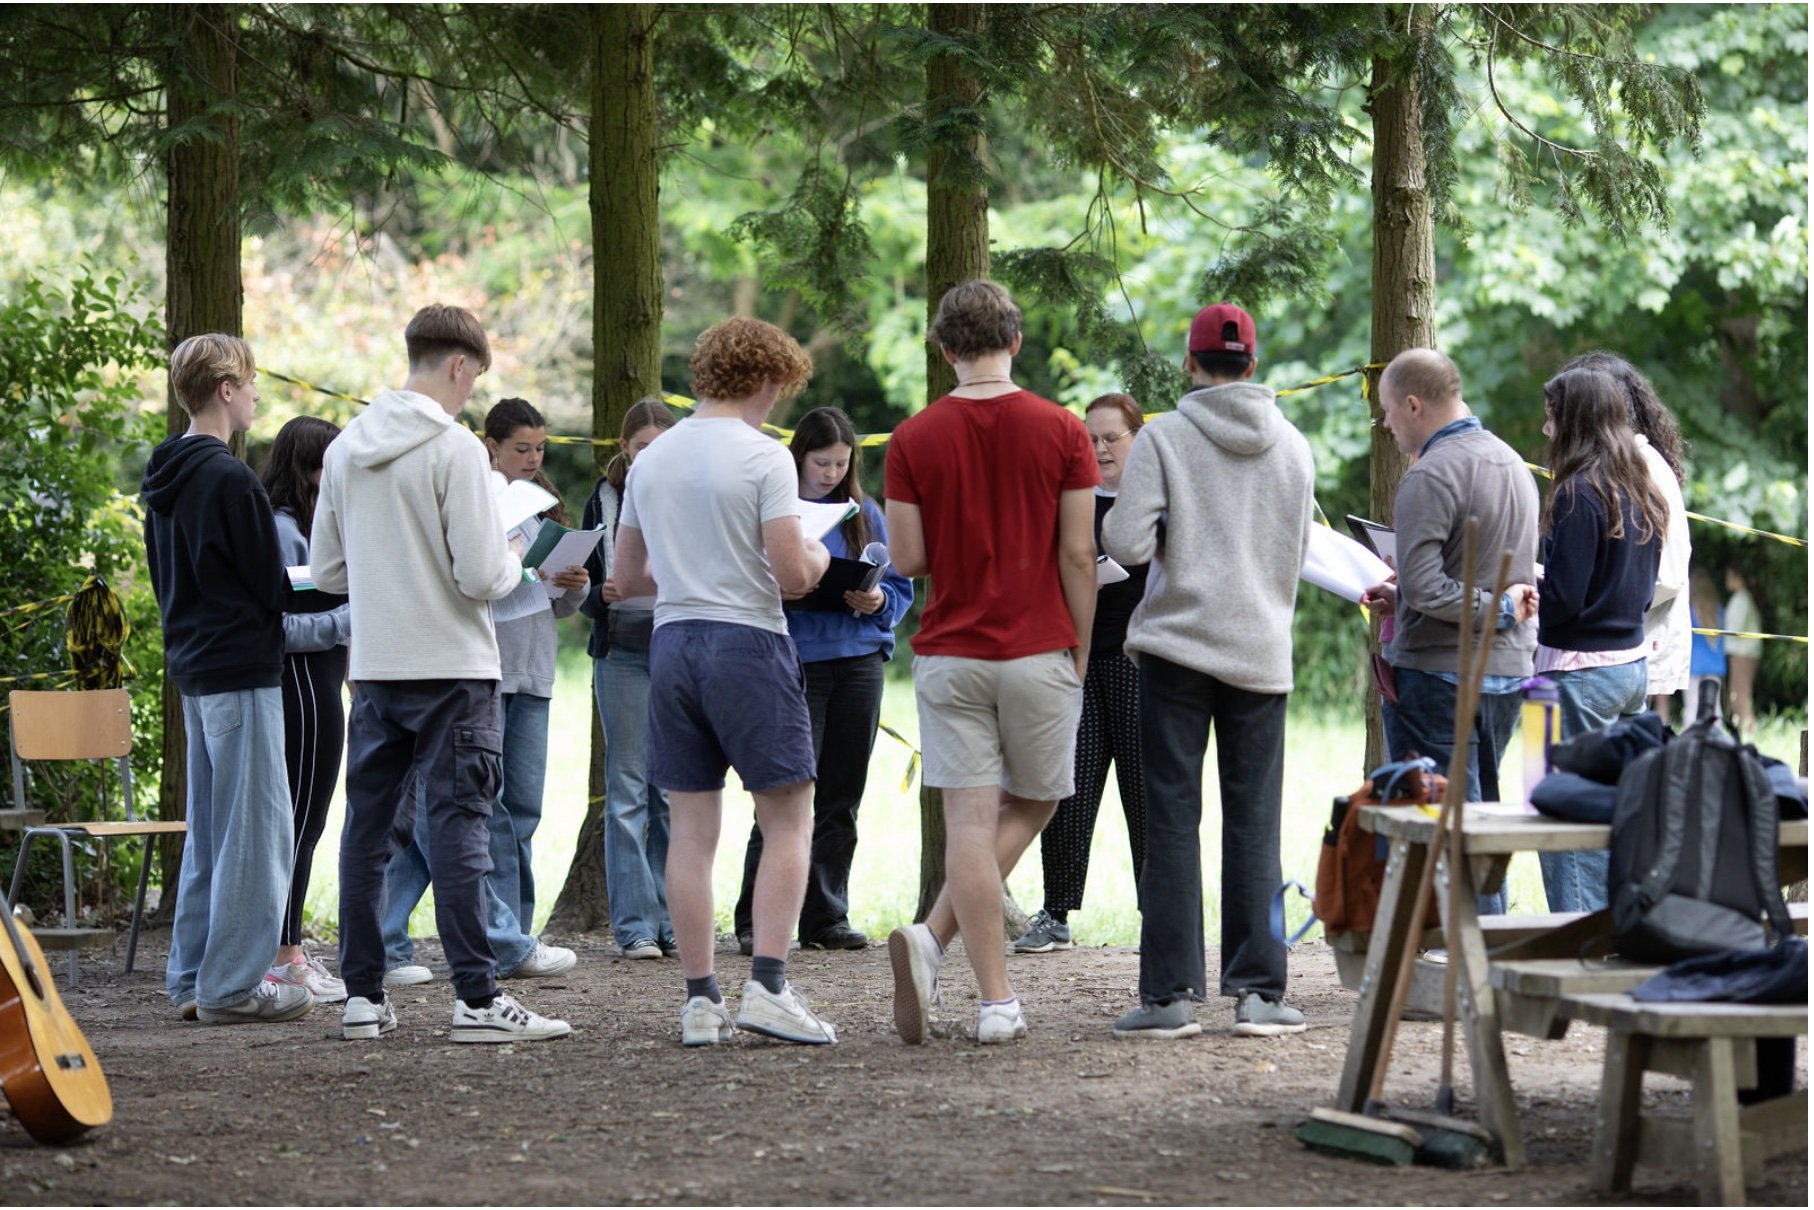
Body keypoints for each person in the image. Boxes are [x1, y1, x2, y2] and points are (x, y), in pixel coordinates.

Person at [312, 303, 570, 1044]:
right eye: (473, 381)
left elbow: (329, 570)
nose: (469, 396)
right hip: (454, 667)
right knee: (462, 830)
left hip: (378, 667)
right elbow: (484, 575)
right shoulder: (456, 451)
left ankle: (362, 996)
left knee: (367, 829)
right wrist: (518, 555)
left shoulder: (344, 449)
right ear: (459, 366)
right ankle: (479, 1001)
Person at [883, 280, 1099, 1046]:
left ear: (946, 349)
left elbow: (907, 557)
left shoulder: (912, 439)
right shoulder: (1063, 429)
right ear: (1016, 341)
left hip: (950, 651)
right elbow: (1079, 551)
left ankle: (973, 979)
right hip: (1039, 643)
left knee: (968, 824)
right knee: (1039, 800)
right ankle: (972, 978)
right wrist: (1082, 643)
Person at [612, 316, 838, 1046]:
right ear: (767, 379)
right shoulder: (764, 458)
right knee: (788, 818)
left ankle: (701, 1000)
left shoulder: (651, 460)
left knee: (690, 827)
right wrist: (821, 554)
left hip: (672, 643)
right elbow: (794, 575)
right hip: (746, 641)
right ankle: (768, 986)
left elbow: (629, 578)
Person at [1102, 302, 1313, 1040]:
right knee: (1256, 821)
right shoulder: (1293, 445)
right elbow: (1296, 551)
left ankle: (1168, 998)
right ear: (1252, 364)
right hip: (1260, 651)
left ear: (1190, 365)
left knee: (1172, 816)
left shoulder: (1163, 437)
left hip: (1178, 650)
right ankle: (1260, 992)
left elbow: (1125, 543)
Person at [378, 400, 581, 988]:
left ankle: (513, 936)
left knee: (520, 812)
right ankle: (456, 941)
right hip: (479, 671)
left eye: (541, 449)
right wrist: (512, 569)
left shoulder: (539, 510)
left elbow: (559, 606)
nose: (533, 459)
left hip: (534, 672)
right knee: (467, 813)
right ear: (490, 446)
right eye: (522, 448)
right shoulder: (475, 502)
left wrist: (573, 582)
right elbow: (468, 585)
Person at [143, 333, 312, 1025]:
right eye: (249, 384)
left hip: (194, 666)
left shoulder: (164, 470)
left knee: (213, 834)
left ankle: (191, 978)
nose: (256, 396)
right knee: (254, 833)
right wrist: (347, 585)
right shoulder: (231, 478)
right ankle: (234, 988)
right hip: (240, 670)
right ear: (223, 390)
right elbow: (271, 589)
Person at [1360, 349, 1540, 919]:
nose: (1386, 426)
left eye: (1387, 412)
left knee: (1434, 823)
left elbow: (1436, 588)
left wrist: (1499, 612)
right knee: (1478, 819)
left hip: (1440, 674)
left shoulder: (1429, 475)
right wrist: (1404, 594)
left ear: (1414, 404)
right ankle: (1484, 959)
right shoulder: (1514, 464)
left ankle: (1441, 968)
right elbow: (1479, 570)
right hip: (1508, 675)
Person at [732, 407, 915, 954]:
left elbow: (900, 585)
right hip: (794, 661)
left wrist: (878, 599)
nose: (832, 472)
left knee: (842, 794)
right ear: (799, 457)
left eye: (842, 463)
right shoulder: (776, 510)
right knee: (784, 791)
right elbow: (748, 578)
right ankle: (755, 920)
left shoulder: (866, 514)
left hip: (858, 662)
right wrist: (783, 590)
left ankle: (825, 916)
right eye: (822, 461)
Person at [1013, 392, 1150, 954]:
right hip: (1077, 659)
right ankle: (1056, 910)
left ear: (1138, 437)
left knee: (1146, 790)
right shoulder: (1070, 500)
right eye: (1089, 439)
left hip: (1142, 660)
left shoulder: (1157, 501)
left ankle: (1160, 911)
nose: (1099, 449)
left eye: (1111, 437)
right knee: (1069, 785)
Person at [1532, 365, 1667, 914]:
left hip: (1573, 674)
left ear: (1575, 421)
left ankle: (1576, 939)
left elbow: (1564, 599)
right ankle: (1615, 929)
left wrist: (1524, 590)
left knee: (1562, 816)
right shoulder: (1641, 488)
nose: (1545, 429)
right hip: (1630, 667)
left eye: (1551, 416)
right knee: (1615, 809)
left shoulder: (1576, 493)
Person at [581, 398, 679, 960]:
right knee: (626, 789)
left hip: (672, 647)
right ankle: (635, 925)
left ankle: (673, 917)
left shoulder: (684, 495)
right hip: (620, 650)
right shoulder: (603, 500)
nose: (650, 457)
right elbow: (581, 585)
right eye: (642, 447)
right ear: (624, 448)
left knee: (669, 791)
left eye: (661, 447)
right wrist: (600, 594)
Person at [259, 416, 351, 1004]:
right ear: (313, 469)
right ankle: (282, 954)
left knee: (310, 823)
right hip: (300, 691)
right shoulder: (283, 530)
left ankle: (288, 947)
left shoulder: (318, 527)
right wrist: (350, 619)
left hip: (323, 685)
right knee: (296, 824)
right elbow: (275, 628)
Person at [1562, 353, 1691, 725]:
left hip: (1623, 654)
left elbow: (1666, 574)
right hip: (1618, 653)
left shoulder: (1644, 468)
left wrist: (1594, 604)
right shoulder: (1617, 467)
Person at [1724, 566, 1762, 734]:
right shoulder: (1744, 598)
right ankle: (1743, 729)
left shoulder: (1741, 599)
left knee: (1741, 694)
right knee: (1738, 693)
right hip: (1744, 652)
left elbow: (1734, 629)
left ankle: (1749, 730)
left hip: (1743, 653)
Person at [1687, 567, 1727, 724]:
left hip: (1693, 667)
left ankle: (1692, 742)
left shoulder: (1689, 613)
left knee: (1692, 708)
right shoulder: (1720, 612)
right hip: (1715, 667)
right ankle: (1716, 742)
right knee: (1715, 708)